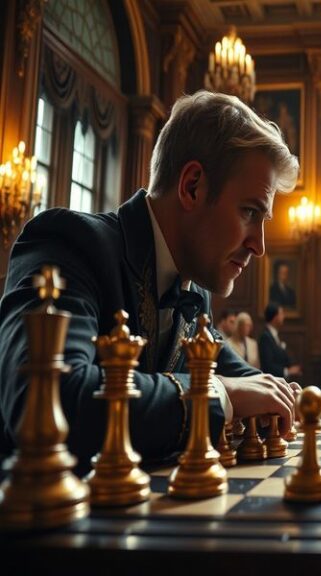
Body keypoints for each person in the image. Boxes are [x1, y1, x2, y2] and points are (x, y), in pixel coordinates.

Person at [0, 91, 302, 469]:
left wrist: (281, 395)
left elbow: (236, 374)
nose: (259, 245)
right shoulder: (67, 244)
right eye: (249, 212)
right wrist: (219, 395)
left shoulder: (193, 285)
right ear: (192, 186)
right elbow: (44, 402)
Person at [259, 302, 302, 379]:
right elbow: (267, 365)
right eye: (281, 313)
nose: (283, 316)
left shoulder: (274, 334)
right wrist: (287, 371)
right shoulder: (265, 337)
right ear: (275, 317)